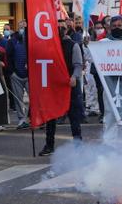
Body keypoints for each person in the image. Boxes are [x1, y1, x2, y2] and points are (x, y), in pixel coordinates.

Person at [39, 22, 84, 156]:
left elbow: (78, 64)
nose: (60, 30)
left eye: (63, 28)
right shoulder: (47, 46)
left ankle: (78, 145)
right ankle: (49, 145)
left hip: (69, 86)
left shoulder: (73, 45)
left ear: (67, 29)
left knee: (73, 116)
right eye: (57, 27)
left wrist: (74, 77)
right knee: (50, 117)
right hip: (53, 87)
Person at [6, 20, 30, 129]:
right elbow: (8, 57)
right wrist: (12, 72)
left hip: (30, 75)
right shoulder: (12, 41)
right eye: (21, 27)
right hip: (16, 75)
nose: (22, 29)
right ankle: (22, 120)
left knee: (34, 98)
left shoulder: (33, 40)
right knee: (18, 99)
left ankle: (32, 117)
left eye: (24, 27)